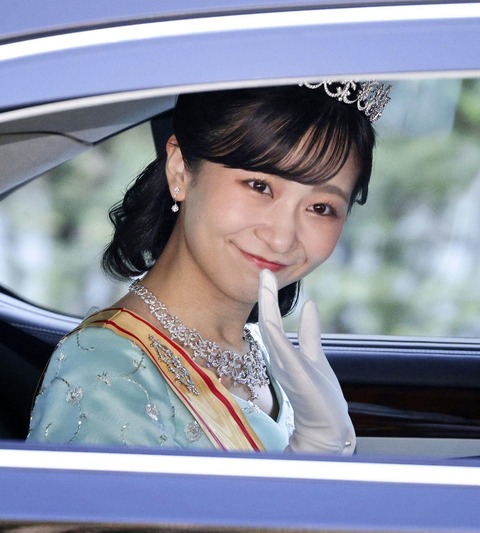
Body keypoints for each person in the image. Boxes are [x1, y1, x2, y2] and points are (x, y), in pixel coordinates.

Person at [27, 81, 391, 453]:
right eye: (259, 185)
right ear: (180, 171)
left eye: (321, 208)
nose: (282, 238)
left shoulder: (261, 352)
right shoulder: (103, 372)